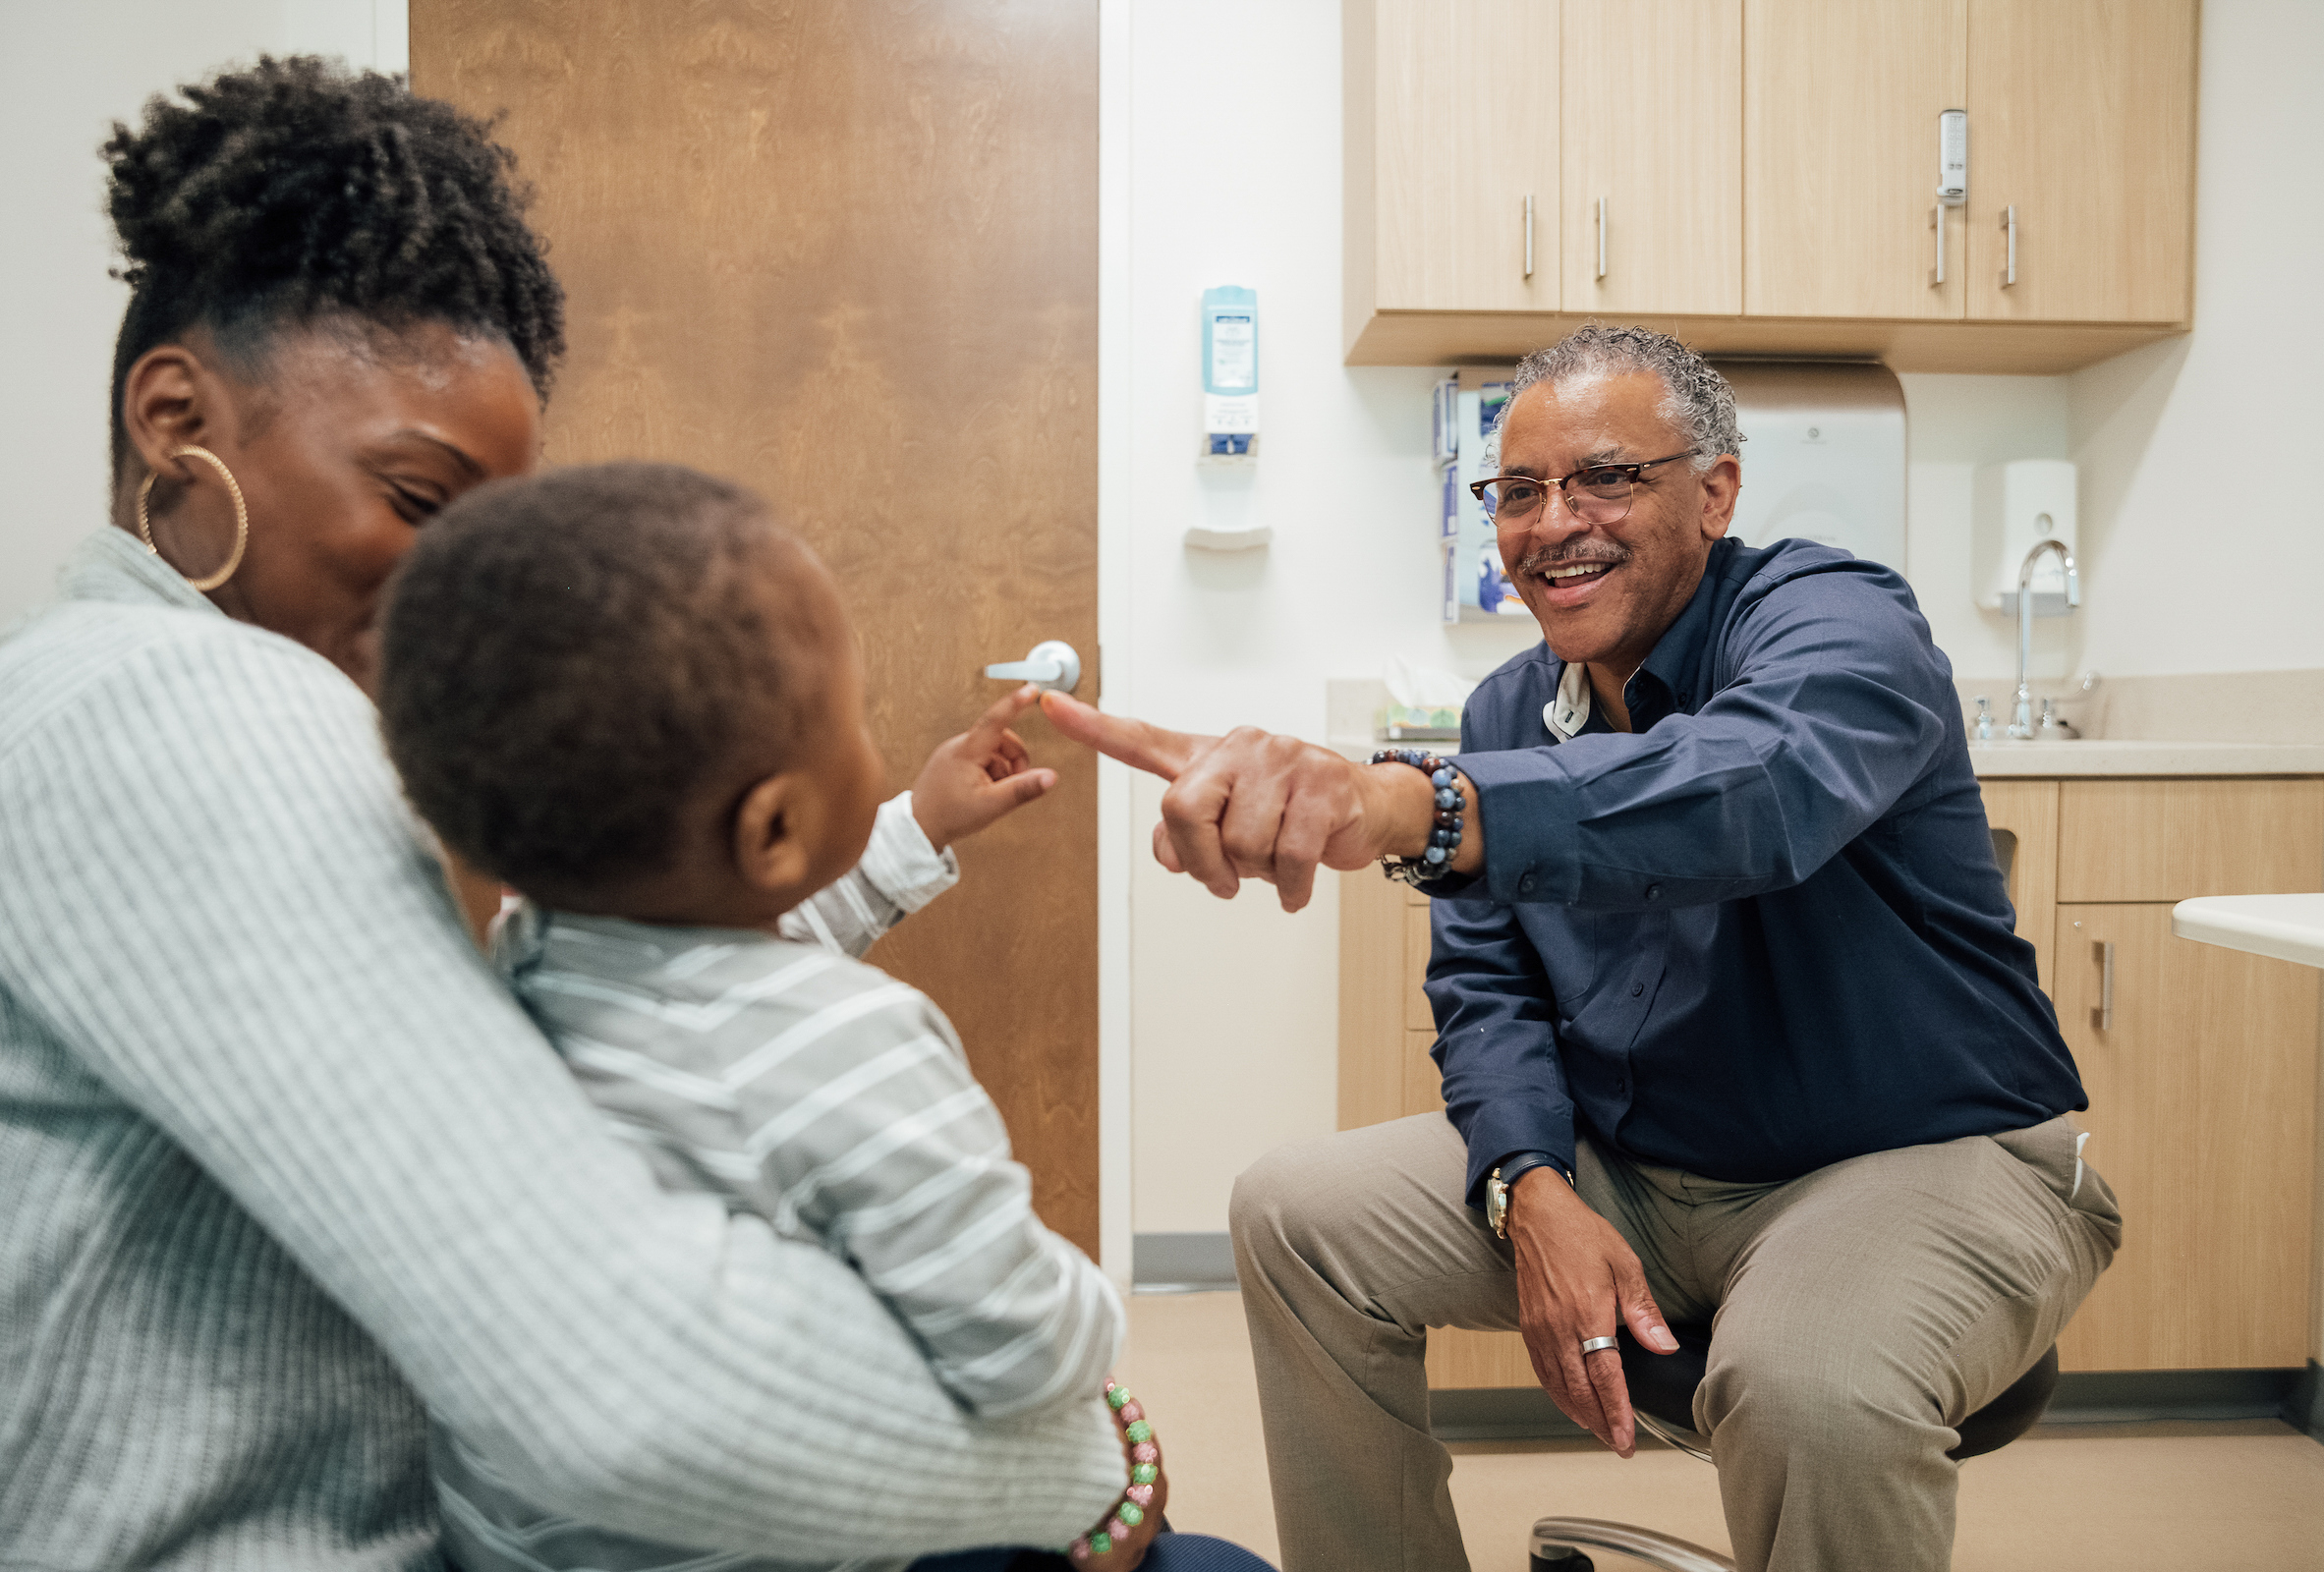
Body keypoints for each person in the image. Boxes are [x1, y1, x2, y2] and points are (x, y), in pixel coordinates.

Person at [0, 58, 1146, 1571]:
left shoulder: (105, 699)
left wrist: (901, 838)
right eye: (418, 501)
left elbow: (648, 978)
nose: (464, 592)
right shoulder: (199, 713)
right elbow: (620, 1392)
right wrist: (1083, 1471)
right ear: (174, 418)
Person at [1041, 324, 2124, 1572]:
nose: (1555, 522)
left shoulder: (1834, 619)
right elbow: (1486, 991)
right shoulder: (1506, 709)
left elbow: (1752, 790)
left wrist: (1419, 802)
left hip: (1915, 1160)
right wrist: (1529, 1186)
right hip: (1653, 1174)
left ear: (1715, 490)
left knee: (1808, 1383)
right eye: (1518, 491)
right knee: (1295, 1214)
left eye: (1607, 476)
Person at [375, 462, 1263, 1572]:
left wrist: (917, 825)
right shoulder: (857, 1041)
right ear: (775, 825)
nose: (869, 735)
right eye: (849, 713)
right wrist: (1100, 1331)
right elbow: (1027, 1349)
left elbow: (723, 972)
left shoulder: (501, 977)